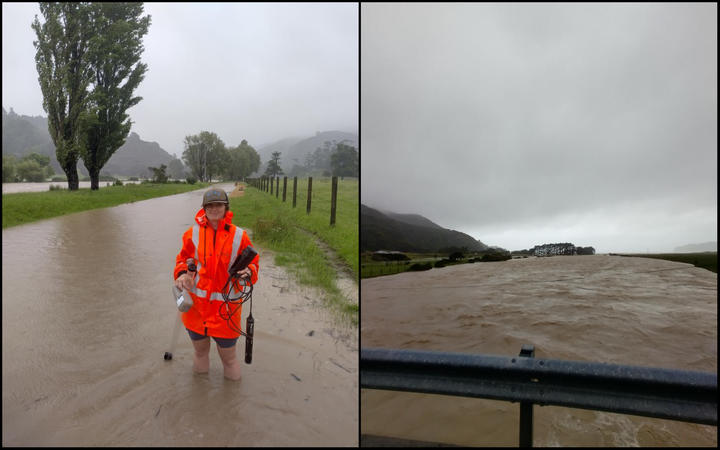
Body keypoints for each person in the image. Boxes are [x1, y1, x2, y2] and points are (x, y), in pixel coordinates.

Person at [173, 188, 259, 380]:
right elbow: (182, 259)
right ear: (204, 208)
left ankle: (231, 406)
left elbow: (254, 263)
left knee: (229, 360)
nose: (214, 209)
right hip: (196, 310)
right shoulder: (191, 234)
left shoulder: (239, 235)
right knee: (200, 353)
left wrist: (249, 272)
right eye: (209, 205)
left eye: (218, 205)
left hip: (226, 312)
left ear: (225, 207)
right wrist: (181, 275)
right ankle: (201, 401)